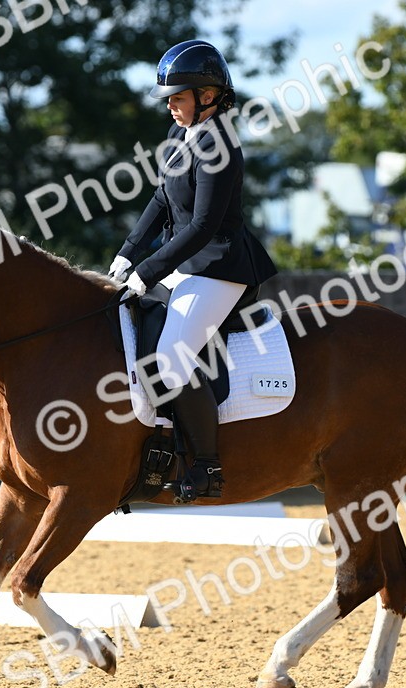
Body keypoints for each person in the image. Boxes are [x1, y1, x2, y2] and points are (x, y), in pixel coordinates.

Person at [111, 39, 277, 501]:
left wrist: (147, 270)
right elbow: (163, 199)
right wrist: (127, 254)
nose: (171, 107)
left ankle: (206, 465)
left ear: (208, 96)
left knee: (171, 358)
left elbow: (203, 226)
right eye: (169, 100)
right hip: (181, 263)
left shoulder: (220, 144)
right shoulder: (179, 136)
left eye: (178, 98)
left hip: (218, 267)